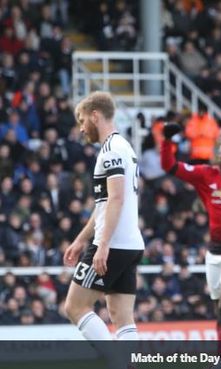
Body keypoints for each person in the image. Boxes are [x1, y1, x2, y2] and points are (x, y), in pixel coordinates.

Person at [62, 92, 143, 365]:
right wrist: (80, 239)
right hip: (130, 243)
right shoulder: (125, 147)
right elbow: (104, 204)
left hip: (114, 242)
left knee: (75, 306)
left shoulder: (111, 150)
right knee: (121, 317)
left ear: (95, 115)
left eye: (83, 120)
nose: (82, 128)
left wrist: (103, 244)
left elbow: (116, 199)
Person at [160, 121, 221, 352]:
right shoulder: (205, 174)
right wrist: (168, 140)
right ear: (216, 159)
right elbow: (169, 166)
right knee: (220, 309)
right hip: (213, 254)